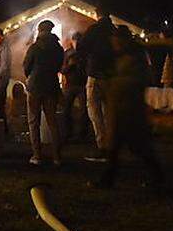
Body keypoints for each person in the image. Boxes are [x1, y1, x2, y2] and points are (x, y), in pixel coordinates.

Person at [94, 27, 163, 189]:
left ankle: (157, 177)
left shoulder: (137, 57)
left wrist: (112, 83)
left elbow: (141, 80)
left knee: (139, 147)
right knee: (114, 148)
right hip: (118, 109)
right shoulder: (120, 56)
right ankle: (107, 180)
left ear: (124, 41)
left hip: (131, 110)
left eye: (117, 41)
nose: (114, 44)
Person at [23, 20, 65, 165]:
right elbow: (60, 66)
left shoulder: (35, 47)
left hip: (34, 87)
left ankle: (37, 156)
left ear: (40, 31)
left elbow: (26, 66)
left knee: (33, 121)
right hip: (51, 87)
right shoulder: (58, 48)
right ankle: (57, 157)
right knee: (52, 122)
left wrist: (30, 76)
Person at [81, 10, 116, 161]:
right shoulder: (114, 30)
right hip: (112, 76)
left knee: (94, 111)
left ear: (97, 14)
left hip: (95, 74)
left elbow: (81, 48)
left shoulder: (94, 30)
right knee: (109, 112)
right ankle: (112, 145)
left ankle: (102, 146)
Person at [60, 32, 89, 142]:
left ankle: (82, 134)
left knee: (84, 111)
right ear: (72, 41)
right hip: (70, 85)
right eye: (75, 40)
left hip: (83, 85)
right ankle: (68, 133)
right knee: (66, 110)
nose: (77, 43)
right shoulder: (67, 53)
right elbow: (62, 70)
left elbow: (89, 69)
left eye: (79, 40)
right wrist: (70, 65)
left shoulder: (85, 54)